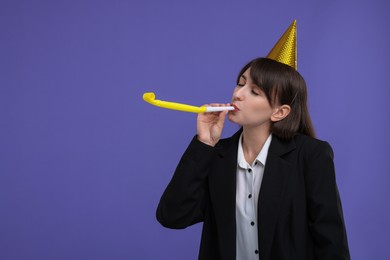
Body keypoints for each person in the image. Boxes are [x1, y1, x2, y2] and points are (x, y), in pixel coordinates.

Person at [156, 21, 350, 260]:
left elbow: (331, 241)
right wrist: (204, 144)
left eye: (255, 91)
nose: (238, 93)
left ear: (279, 112)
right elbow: (172, 216)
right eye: (240, 83)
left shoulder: (311, 155)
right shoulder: (217, 155)